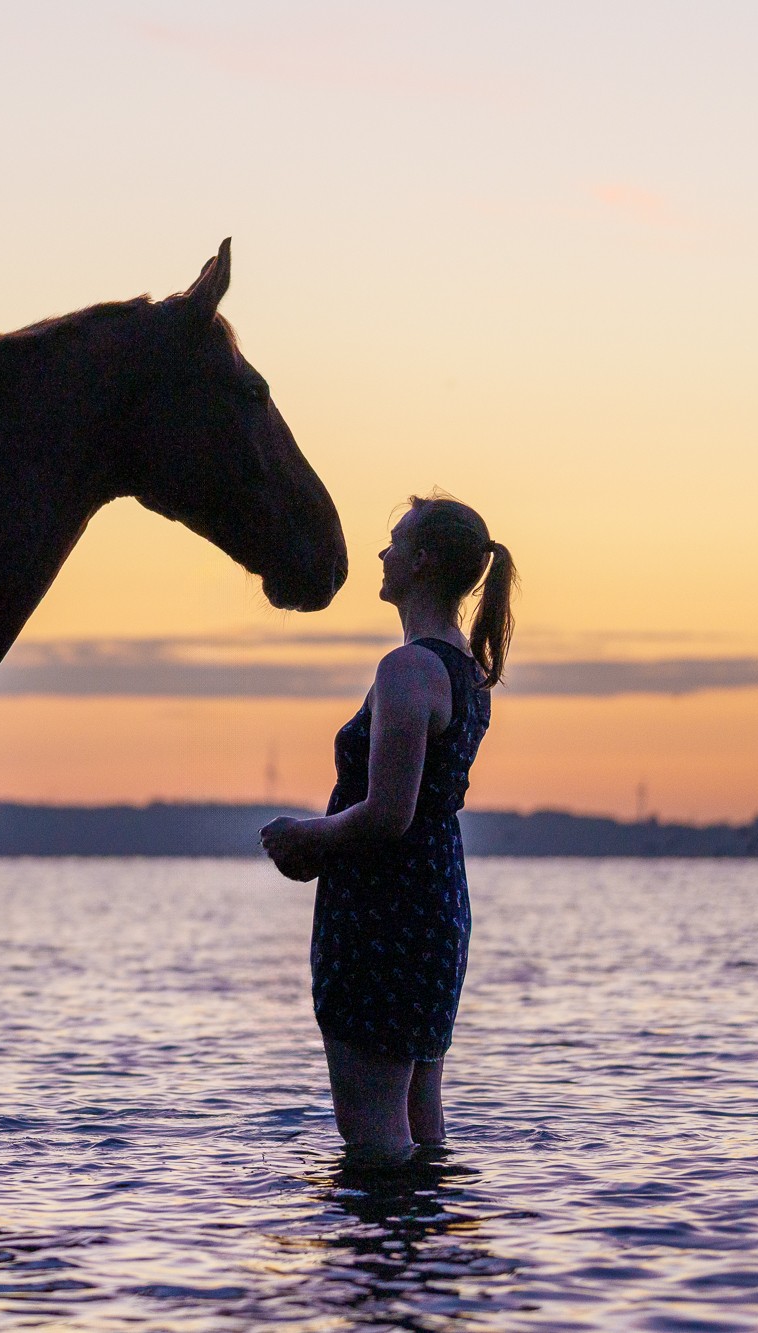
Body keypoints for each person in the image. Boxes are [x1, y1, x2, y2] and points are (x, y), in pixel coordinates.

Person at [260, 494, 516, 1163]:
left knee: (373, 1133)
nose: (382, 552)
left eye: (395, 541)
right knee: (420, 1123)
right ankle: (426, 1231)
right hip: (433, 902)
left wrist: (305, 837)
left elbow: (388, 813)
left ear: (423, 561)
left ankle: (378, 1233)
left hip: (385, 913)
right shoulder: (466, 671)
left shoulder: (408, 670)